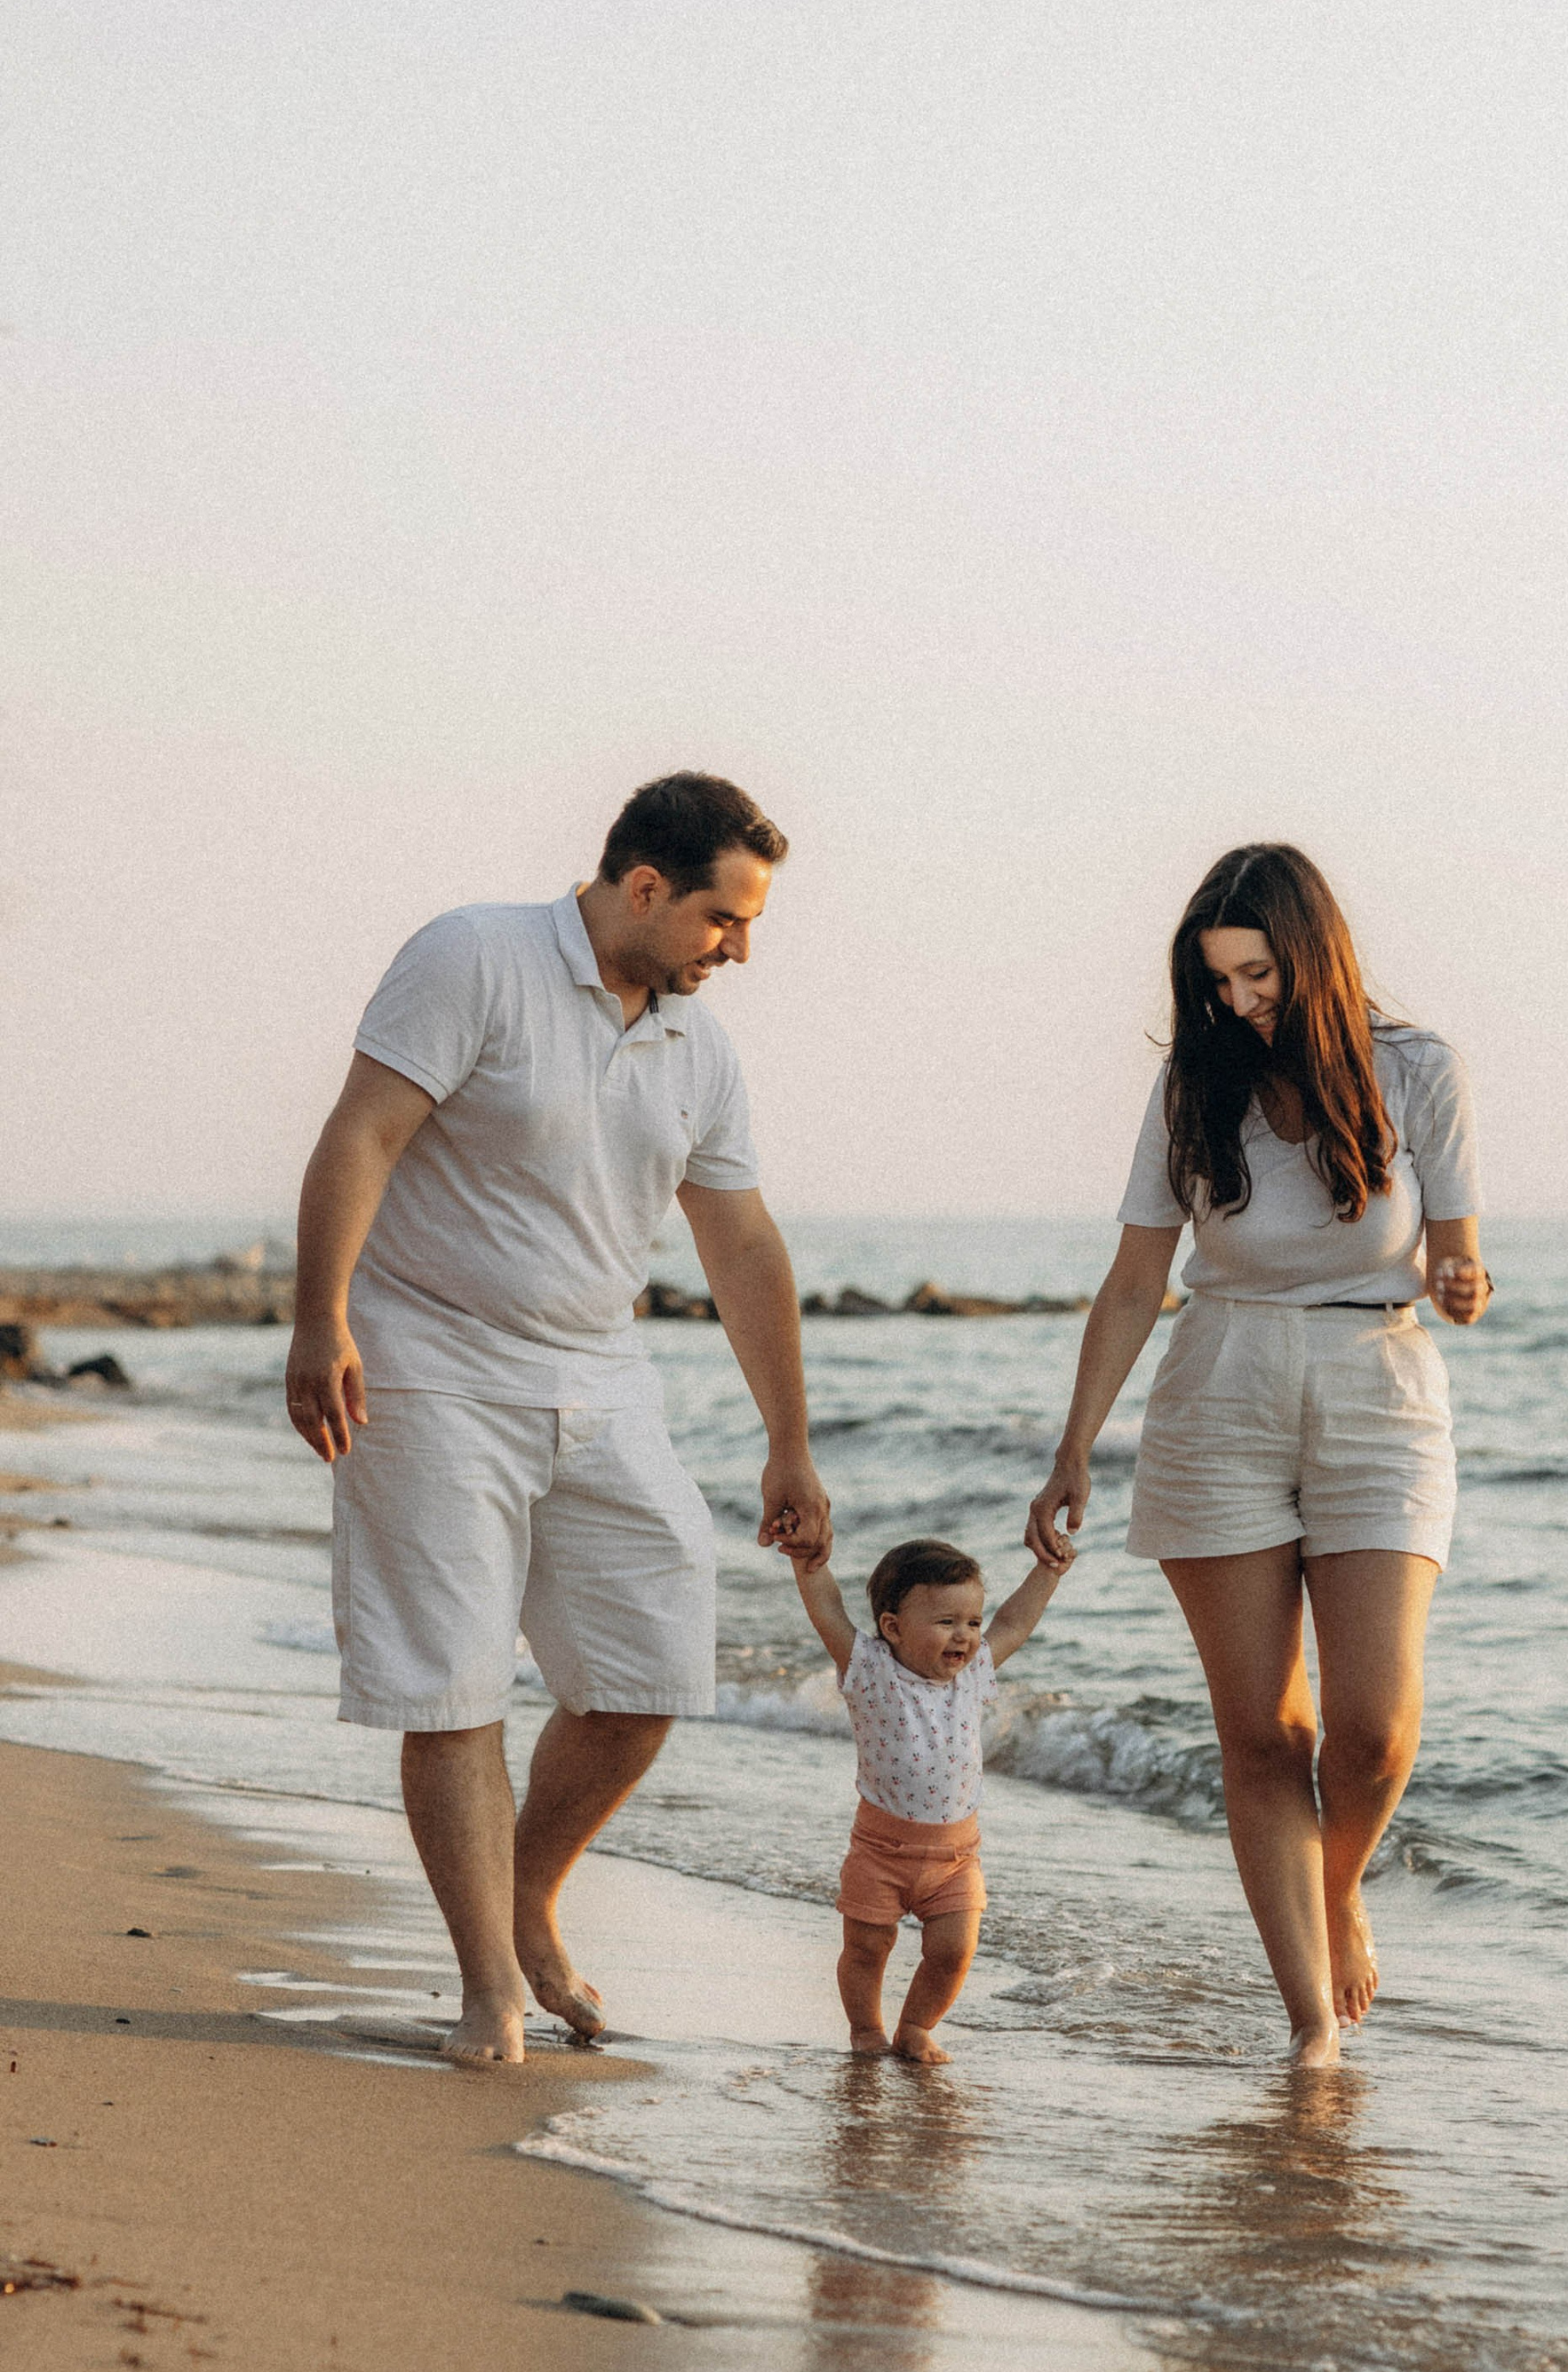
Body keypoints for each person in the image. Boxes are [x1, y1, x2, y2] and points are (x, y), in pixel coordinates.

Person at [283, 771, 830, 2068]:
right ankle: (489, 1990)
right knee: (453, 1679)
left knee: (651, 1662)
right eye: (724, 919)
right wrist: (323, 1320)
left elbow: (741, 1241)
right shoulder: (474, 956)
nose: (740, 950)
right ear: (644, 886)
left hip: (601, 1370)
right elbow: (361, 1135)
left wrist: (790, 1438)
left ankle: (524, 1888)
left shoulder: (701, 1041)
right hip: (426, 1363)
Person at [1025, 844, 1489, 2070]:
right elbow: (1136, 1278)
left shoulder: (1416, 1069)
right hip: (1217, 1386)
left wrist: (1460, 1277)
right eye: (1218, 979)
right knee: (1262, 1734)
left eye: (1257, 971)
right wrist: (1075, 1444)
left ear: (1313, 948)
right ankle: (1311, 2031)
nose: (1238, 1000)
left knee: (1376, 1731)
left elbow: (1458, 1254)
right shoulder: (1195, 1084)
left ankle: (1334, 1889)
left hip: (1378, 1384)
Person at [792, 1534, 1067, 2063]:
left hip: (957, 1857)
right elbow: (827, 1610)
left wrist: (1048, 1572)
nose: (964, 1635)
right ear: (893, 1627)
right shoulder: (870, 1670)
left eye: (971, 1621)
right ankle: (866, 2030)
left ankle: (916, 2025)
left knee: (954, 1951)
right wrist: (807, 1563)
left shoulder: (973, 1674)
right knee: (867, 1949)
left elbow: (1014, 1623)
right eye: (945, 1622)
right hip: (880, 1852)